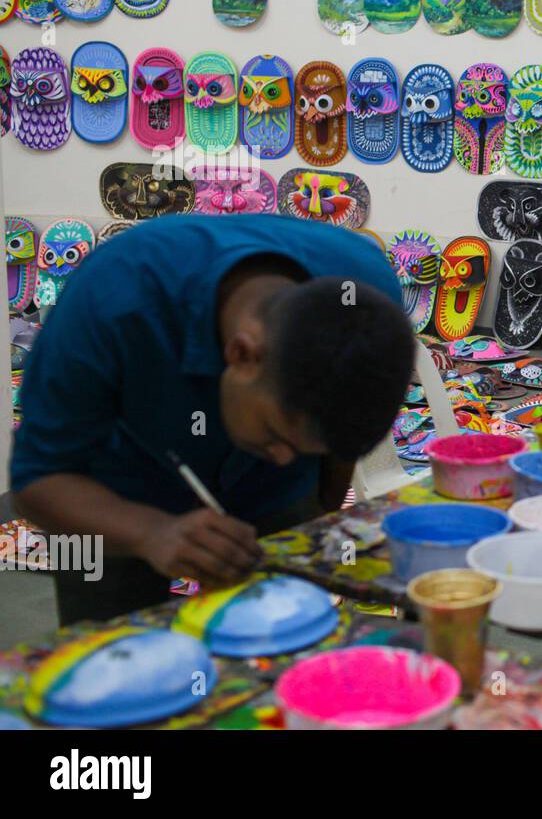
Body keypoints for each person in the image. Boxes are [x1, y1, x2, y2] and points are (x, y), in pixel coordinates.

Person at [12, 214, 414, 625]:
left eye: (303, 447)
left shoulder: (363, 296)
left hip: (272, 495)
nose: (280, 456)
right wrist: (150, 532)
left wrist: (323, 508)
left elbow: (338, 440)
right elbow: (37, 480)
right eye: (277, 435)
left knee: (276, 645)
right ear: (242, 355)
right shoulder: (112, 298)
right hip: (112, 498)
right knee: (107, 664)